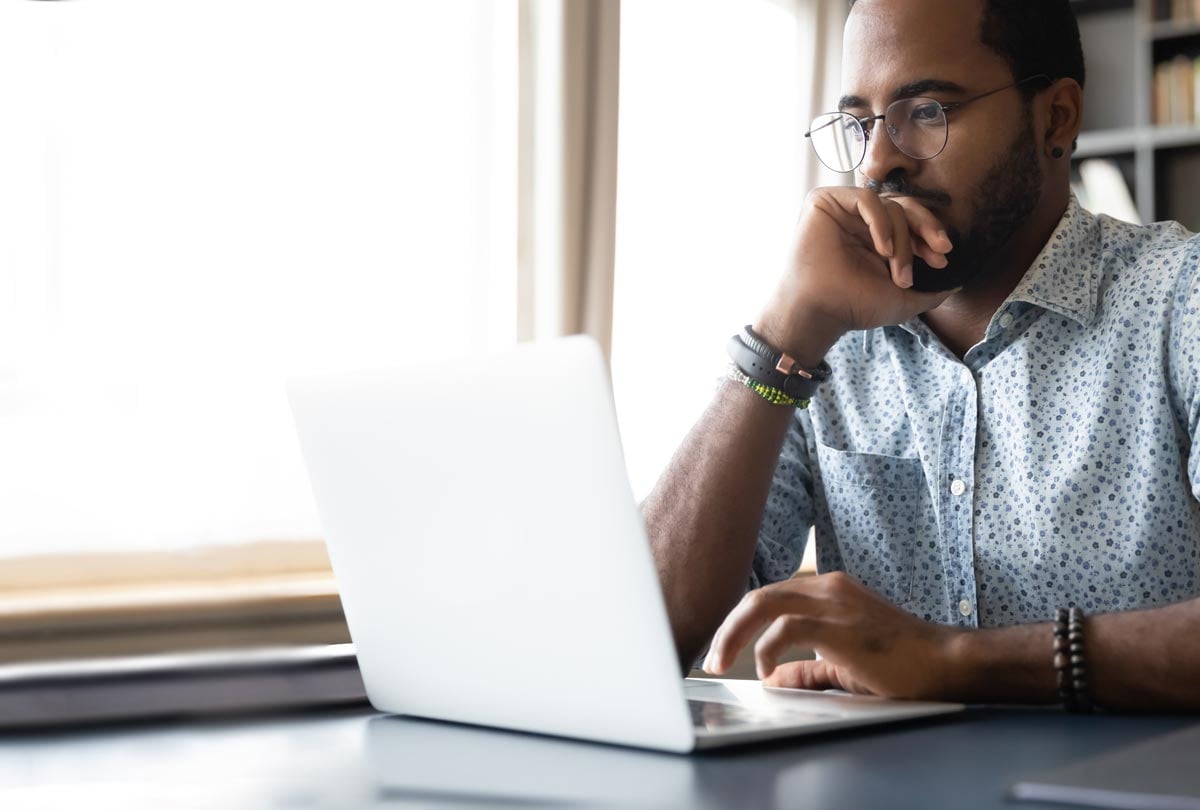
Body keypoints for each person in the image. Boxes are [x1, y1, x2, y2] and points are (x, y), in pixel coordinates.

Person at [644, 0, 1200, 712]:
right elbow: (649, 633)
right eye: (859, 123)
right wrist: (779, 337)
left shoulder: (1178, 301)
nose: (877, 161)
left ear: (1055, 118)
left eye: (928, 111)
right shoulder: (822, 342)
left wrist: (955, 662)